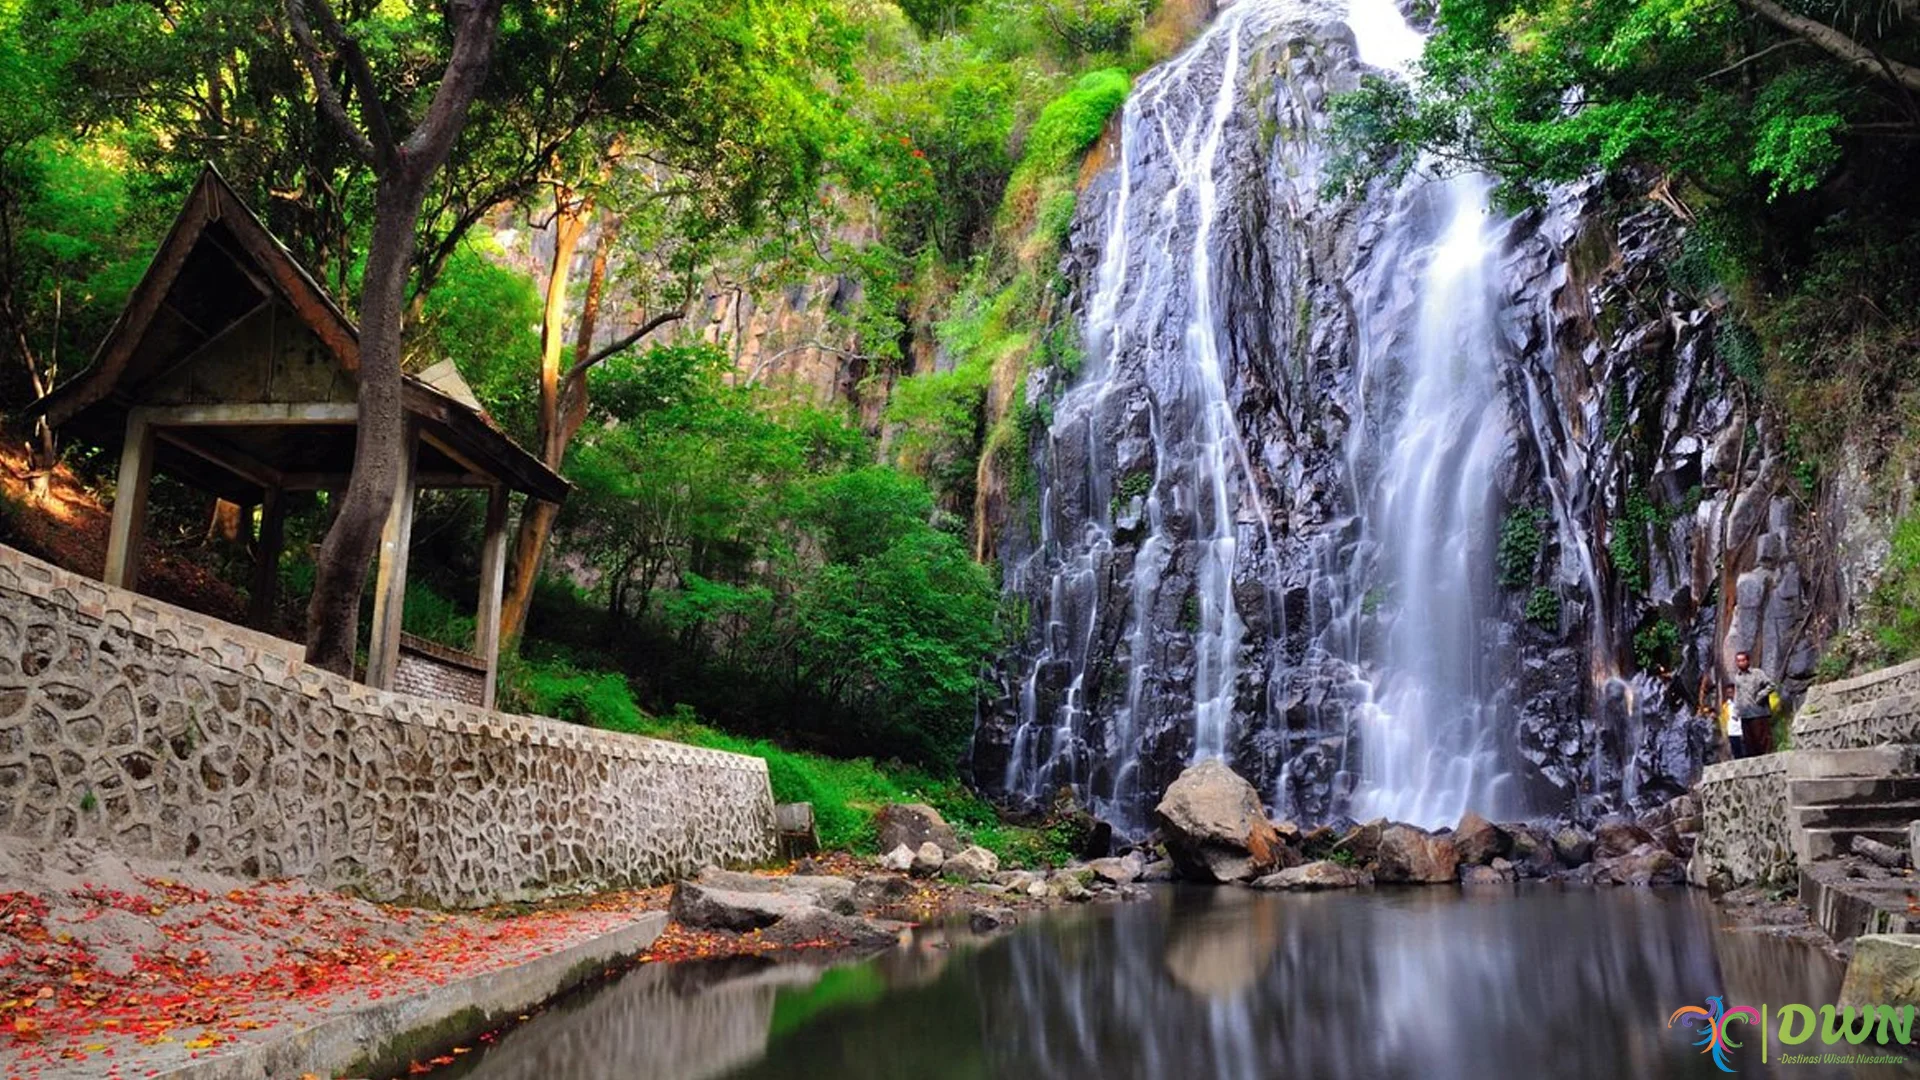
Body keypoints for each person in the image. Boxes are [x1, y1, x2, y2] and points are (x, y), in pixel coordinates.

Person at [1731, 651, 1776, 757]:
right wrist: (1735, 712)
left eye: (1743, 660)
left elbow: (1771, 685)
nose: (1741, 663)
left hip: (1759, 712)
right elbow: (1737, 695)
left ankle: (1768, 759)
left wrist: (1761, 695)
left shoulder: (1757, 673)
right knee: (1749, 742)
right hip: (1745, 714)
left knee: (1763, 740)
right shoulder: (1738, 677)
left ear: (1748, 661)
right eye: (1738, 661)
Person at [1719, 684, 1742, 760]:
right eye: (1728, 692)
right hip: (1732, 732)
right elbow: (1724, 719)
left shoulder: (1740, 702)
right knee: (1736, 753)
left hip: (1742, 730)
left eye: (1731, 692)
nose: (1730, 694)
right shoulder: (1725, 706)